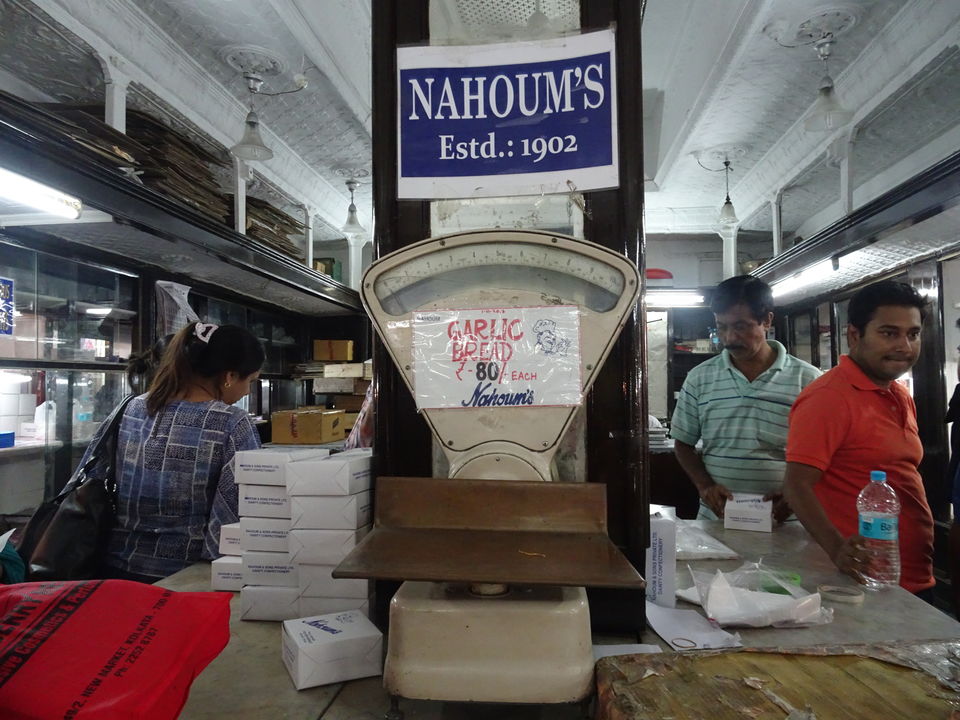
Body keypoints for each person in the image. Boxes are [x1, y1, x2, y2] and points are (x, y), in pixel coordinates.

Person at [783, 280, 934, 597]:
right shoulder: (828, 398)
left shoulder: (898, 394)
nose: (904, 346)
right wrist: (838, 549)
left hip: (912, 579)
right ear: (855, 335)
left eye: (913, 334)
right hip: (865, 583)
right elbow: (797, 484)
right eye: (889, 333)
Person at [86, 321, 264, 583]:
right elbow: (240, 510)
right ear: (229, 377)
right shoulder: (232, 423)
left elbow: (91, 474)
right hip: (188, 578)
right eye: (250, 380)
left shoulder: (129, 408)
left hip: (116, 569)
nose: (247, 390)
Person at [671, 275, 820, 520]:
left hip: (787, 521)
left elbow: (823, 453)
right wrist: (705, 486)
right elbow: (683, 444)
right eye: (721, 327)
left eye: (741, 326)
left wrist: (796, 493)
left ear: (767, 321)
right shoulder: (699, 378)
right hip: (717, 519)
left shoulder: (808, 381)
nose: (729, 338)